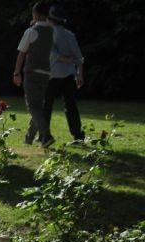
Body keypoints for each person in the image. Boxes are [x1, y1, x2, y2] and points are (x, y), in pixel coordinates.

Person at [13, 2, 55, 148]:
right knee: (38, 106)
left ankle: (46, 135)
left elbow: (22, 54)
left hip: (32, 73)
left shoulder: (31, 32)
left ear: (35, 14)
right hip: (46, 73)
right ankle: (29, 139)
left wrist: (17, 72)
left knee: (33, 107)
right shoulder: (52, 31)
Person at [44, 5, 85, 141]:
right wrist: (80, 74)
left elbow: (51, 53)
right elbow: (79, 57)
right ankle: (77, 135)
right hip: (69, 75)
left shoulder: (48, 34)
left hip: (52, 75)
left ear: (50, 20)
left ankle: (45, 135)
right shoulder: (70, 35)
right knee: (70, 105)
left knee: (47, 104)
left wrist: (64, 59)